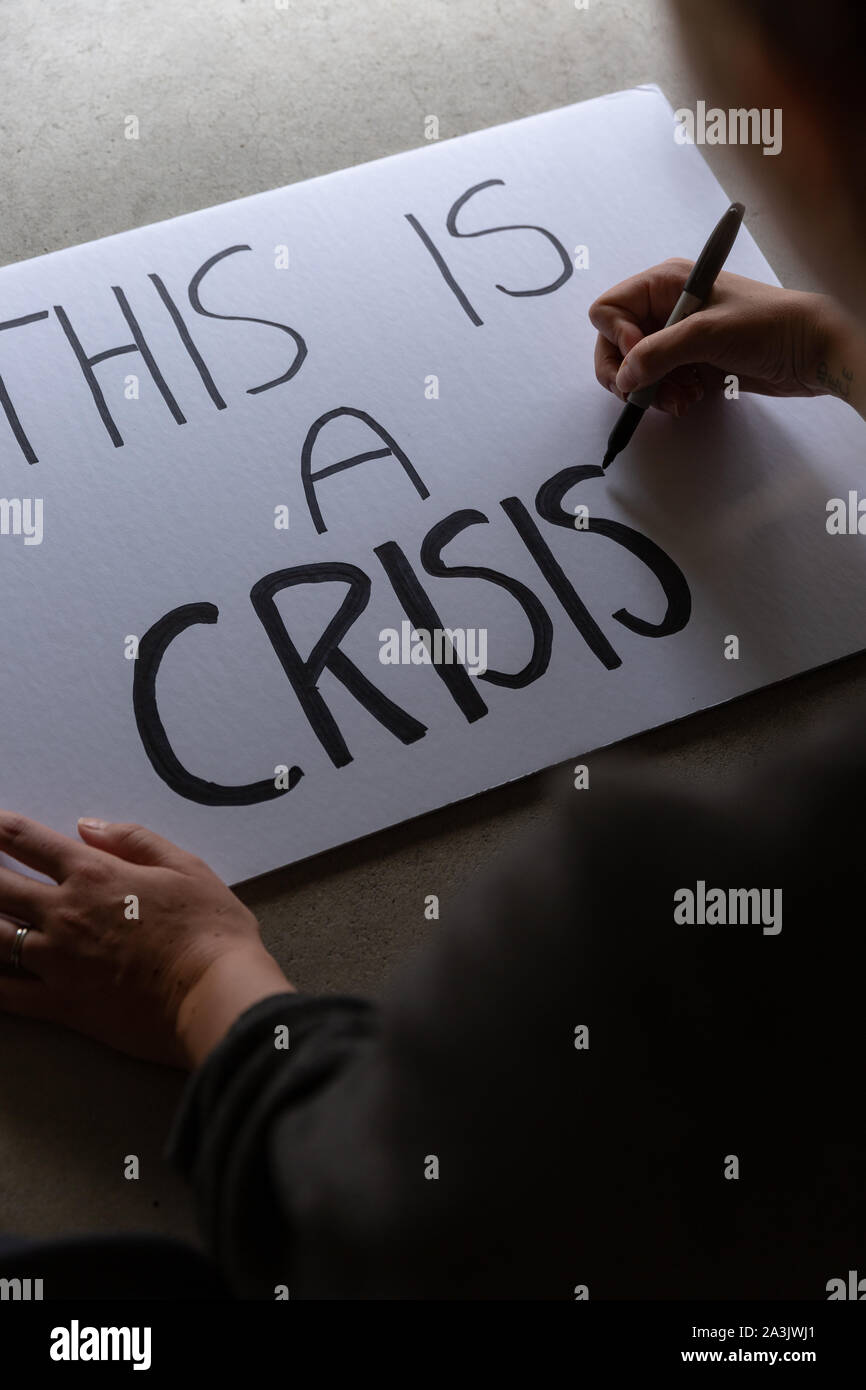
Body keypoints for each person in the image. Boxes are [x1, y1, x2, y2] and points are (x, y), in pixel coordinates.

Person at [2, 0, 866, 1300]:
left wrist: (194, 975)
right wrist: (833, 341)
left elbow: (378, 1240)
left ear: (783, 100)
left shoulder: (672, 903)